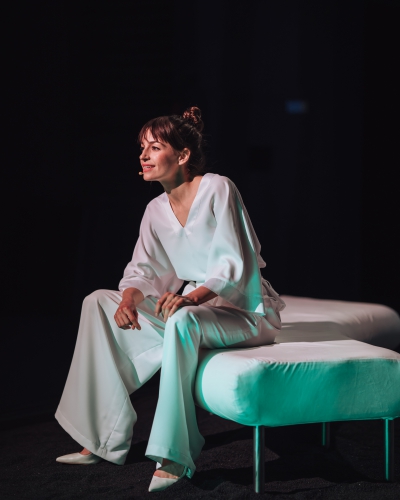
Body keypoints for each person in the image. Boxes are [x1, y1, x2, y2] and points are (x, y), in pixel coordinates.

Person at [55, 106, 286, 492]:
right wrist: (129, 300)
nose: (143, 156)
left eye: (154, 147)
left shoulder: (217, 188)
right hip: (195, 308)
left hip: (244, 310)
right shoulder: (155, 210)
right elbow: (144, 271)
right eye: (141, 148)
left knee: (181, 318)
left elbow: (235, 261)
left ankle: (175, 453)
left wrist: (192, 298)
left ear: (182, 155)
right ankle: (101, 437)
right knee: (97, 302)